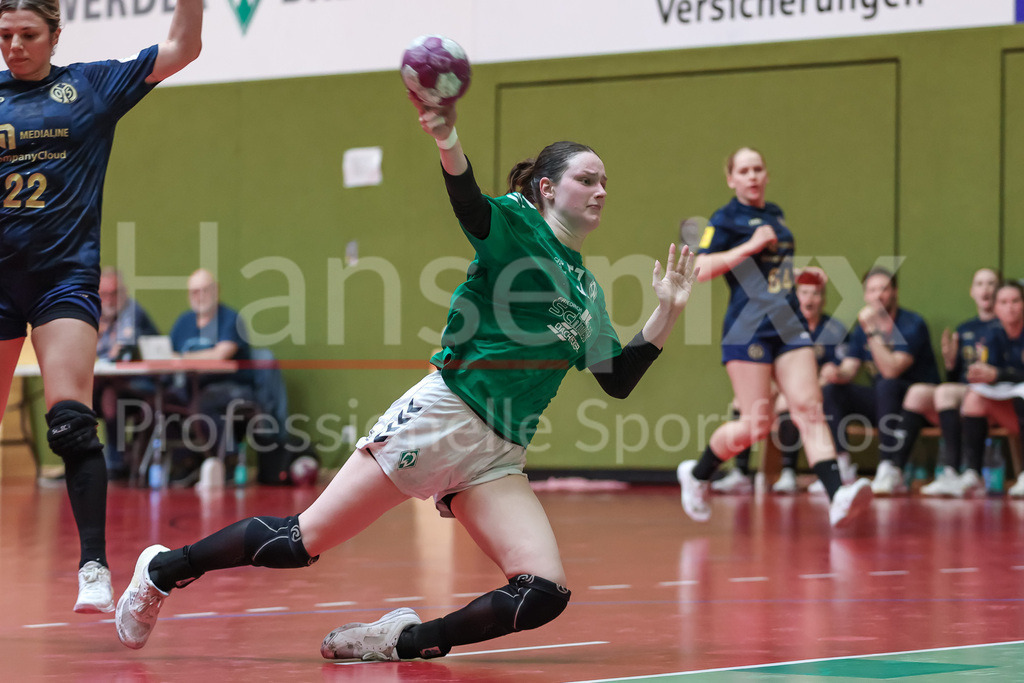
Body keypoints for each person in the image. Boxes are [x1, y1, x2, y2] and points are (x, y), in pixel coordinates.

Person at [113, 97, 699, 658]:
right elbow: (469, 203)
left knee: (543, 592)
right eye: (587, 179)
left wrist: (667, 310)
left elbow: (617, 377)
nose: (600, 191)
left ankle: (401, 639)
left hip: (497, 455)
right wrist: (447, 138)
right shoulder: (518, 224)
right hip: (443, 417)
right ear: (547, 188)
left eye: (604, 182)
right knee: (298, 543)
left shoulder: (588, 291)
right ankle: (163, 570)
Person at [0, 0, 201, 613]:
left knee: (69, 422)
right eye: (4, 35)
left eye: (28, 34)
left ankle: (93, 565)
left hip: (62, 280)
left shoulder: (89, 86)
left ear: (55, 35)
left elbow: (182, 49)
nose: (14, 46)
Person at [675, 147, 872, 528]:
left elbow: (770, 272)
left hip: (788, 323)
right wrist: (749, 245)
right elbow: (699, 268)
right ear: (731, 179)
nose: (752, 175)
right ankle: (698, 474)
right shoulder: (726, 218)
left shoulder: (775, 214)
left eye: (758, 169)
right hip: (748, 329)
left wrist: (800, 277)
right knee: (756, 424)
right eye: (743, 170)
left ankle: (837, 497)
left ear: (766, 175)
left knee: (809, 407)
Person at [711, 269, 849, 495]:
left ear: (823, 299)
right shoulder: (780, 325)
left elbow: (840, 369)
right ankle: (741, 473)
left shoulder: (833, 329)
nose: (809, 299)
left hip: (814, 393)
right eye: (804, 293)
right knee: (742, 403)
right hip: (778, 387)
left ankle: (788, 473)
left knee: (789, 403)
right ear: (796, 296)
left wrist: (833, 373)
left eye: (815, 294)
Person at [820, 267, 941, 495]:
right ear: (865, 295)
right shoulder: (860, 330)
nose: (878, 295)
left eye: (884, 289)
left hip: (914, 407)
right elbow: (850, 368)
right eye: (872, 290)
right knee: (833, 391)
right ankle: (841, 465)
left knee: (887, 385)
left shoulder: (911, 323)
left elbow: (892, 370)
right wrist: (835, 373)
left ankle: (888, 468)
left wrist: (873, 331)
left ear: (895, 292)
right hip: (883, 404)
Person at [883, 268, 999, 497]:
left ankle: (951, 471)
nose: (985, 289)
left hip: (992, 394)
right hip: (964, 394)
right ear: (972, 292)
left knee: (945, 393)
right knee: (917, 392)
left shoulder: (1006, 326)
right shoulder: (966, 329)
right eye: (980, 284)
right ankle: (893, 469)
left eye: (991, 283)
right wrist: (951, 363)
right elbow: (955, 380)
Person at [166, 268, 255, 482]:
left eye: (205, 290)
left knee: (203, 404)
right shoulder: (184, 322)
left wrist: (186, 358)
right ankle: (186, 463)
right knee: (160, 405)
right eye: (194, 292)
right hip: (190, 385)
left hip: (231, 385)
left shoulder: (230, 318)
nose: (200, 296)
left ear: (216, 291)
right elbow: (169, 355)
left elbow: (221, 355)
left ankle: (228, 462)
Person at [957, 281, 1024, 496]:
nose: (1010, 307)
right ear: (995, 308)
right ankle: (973, 473)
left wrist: (998, 374)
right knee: (974, 398)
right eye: (1003, 302)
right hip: (1007, 404)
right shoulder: (990, 334)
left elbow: (1000, 373)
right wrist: (979, 372)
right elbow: (987, 370)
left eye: (1015, 301)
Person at [94, 267, 160, 479]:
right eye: (103, 295)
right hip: (114, 384)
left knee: (109, 395)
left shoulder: (132, 313)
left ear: (123, 292)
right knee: (82, 396)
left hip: (147, 386)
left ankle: (115, 463)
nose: (109, 300)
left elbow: (117, 353)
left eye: (114, 294)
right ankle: (82, 462)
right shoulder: (98, 316)